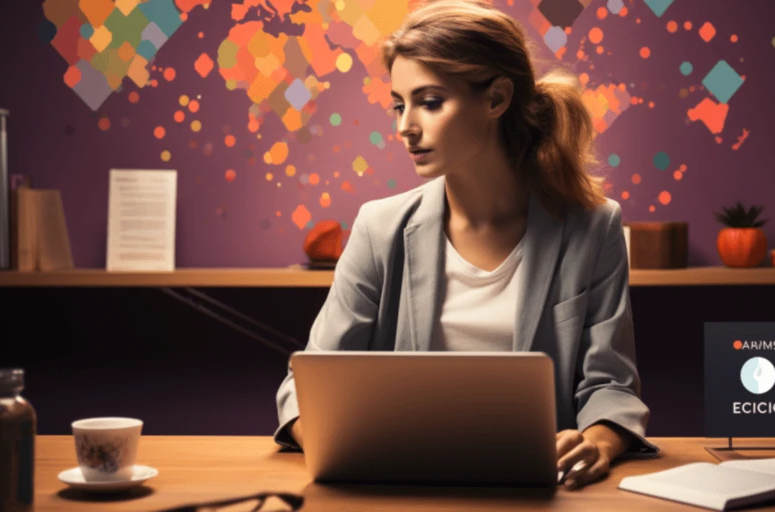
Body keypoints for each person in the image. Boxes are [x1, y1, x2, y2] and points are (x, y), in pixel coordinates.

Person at [275, 0, 657, 490]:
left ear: (497, 98)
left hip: (541, 491)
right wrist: (343, 448)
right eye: (399, 104)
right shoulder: (378, 228)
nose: (405, 127)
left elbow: (610, 385)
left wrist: (597, 444)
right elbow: (304, 388)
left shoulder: (593, 227)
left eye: (429, 102)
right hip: (401, 490)